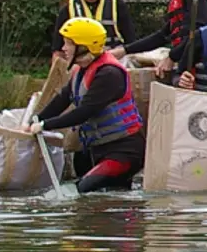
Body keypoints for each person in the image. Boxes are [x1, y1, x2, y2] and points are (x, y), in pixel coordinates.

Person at [25, 18, 144, 194]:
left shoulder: (109, 74)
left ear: (83, 46)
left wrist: (44, 126)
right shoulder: (81, 70)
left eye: (68, 44)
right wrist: (33, 120)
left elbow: (84, 113)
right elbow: (61, 101)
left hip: (124, 151)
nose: (63, 48)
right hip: (97, 148)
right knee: (98, 193)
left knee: (82, 191)